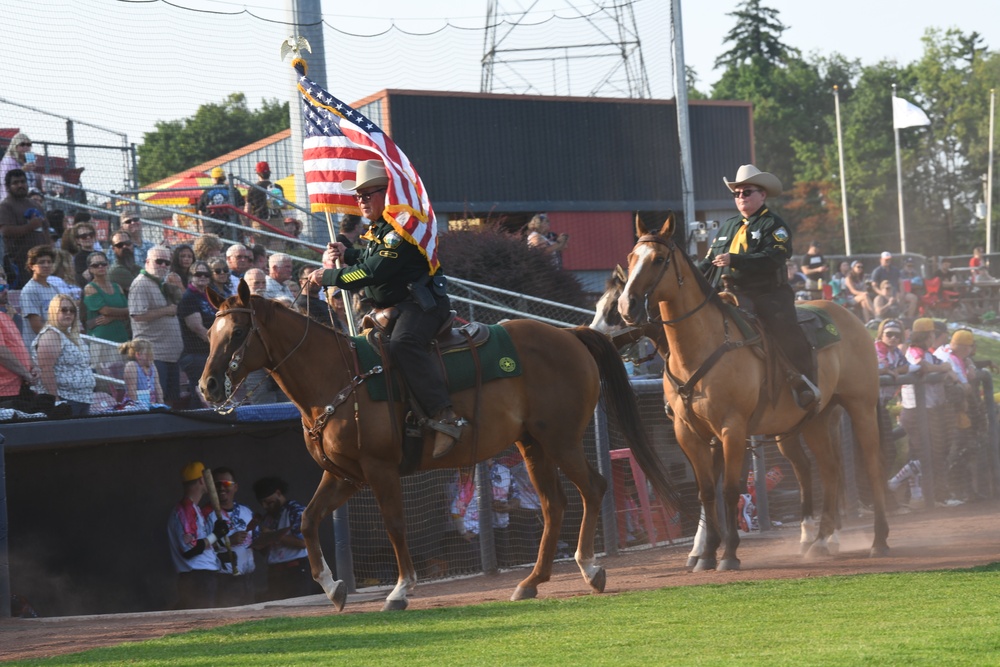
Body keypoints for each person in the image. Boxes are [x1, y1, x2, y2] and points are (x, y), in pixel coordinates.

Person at [309, 159, 463, 458]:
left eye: (368, 194)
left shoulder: (401, 228)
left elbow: (374, 272)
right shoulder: (381, 229)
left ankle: (444, 416)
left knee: (404, 344)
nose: (361, 201)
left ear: (388, 193)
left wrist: (328, 277)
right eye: (358, 196)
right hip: (395, 308)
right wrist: (348, 253)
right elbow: (370, 258)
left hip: (420, 306)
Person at [697, 164, 817, 408]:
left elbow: (775, 257)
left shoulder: (774, 225)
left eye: (747, 192)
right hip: (729, 293)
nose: (741, 197)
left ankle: (804, 383)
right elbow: (708, 262)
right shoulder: (728, 226)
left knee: (784, 326)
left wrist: (735, 260)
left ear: (762, 195)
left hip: (768, 293)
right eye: (736, 193)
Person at [900, 318, 961, 508]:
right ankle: (929, 496)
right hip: (917, 411)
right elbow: (923, 368)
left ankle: (921, 496)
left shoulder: (928, 353)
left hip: (928, 410)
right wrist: (942, 369)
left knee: (931, 454)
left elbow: (945, 366)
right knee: (928, 455)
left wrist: (945, 369)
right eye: (932, 334)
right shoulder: (915, 351)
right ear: (926, 335)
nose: (934, 336)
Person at [129, 246, 184, 406]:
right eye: (159, 261)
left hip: (170, 355)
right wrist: (167, 310)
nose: (163, 266)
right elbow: (137, 315)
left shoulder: (160, 283)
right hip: (153, 355)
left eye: (167, 262)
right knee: (157, 401)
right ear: (147, 262)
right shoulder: (141, 284)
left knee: (172, 399)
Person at [167, 461, 226, 610]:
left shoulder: (194, 508)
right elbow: (189, 550)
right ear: (201, 480)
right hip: (197, 578)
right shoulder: (185, 510)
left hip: (203, 576)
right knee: (201, 623)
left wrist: (217, 543)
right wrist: (215, 535)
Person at [251, 476, 317, 601]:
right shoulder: (268, 518)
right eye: (262, 503)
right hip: (275, 572)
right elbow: (265, 550)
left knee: (299, 608)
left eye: (269, 502)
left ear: (278, 493)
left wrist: (272, 535)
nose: (265, 506)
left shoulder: (295, 510)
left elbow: (304, 542)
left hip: (296, 570)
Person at [32, 294, 95, 416]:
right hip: (65, 399)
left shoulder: (72, 335)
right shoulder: (51, 335)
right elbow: (46, 369)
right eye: (64, 310)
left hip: (83, 399)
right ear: (53, 312)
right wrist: (56, 400)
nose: (69, 313)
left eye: (72, 310)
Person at [212, 467, 257, 607]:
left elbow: (257, 539)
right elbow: (199, 546)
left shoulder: (246, 511)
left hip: (248, 578)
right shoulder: (206, 514)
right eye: (217, 484)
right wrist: (229, 541)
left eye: (226, 484)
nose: (221, 488)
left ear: (235, 487)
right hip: (224, 579)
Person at [1, 169, 53, 287]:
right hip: (20, 263)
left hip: (42, 262)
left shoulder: (35, 204)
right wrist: (30, 226)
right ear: (8, 187)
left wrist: (49, 250)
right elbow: (5, 231)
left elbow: (46, 229)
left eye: (23, 182)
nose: (20, 185)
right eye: (16, 183)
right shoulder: (5, 206)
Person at [177, 260, 216, 406]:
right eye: (198, 274)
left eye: (206, 274)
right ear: (191, 276)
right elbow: (198, 328)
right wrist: (219, 343)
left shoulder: (209, 296)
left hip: (209, 352)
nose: (203, 277)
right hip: (195, 354)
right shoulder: (189, 297)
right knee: (201, 392)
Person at [0, 265, 38, 401]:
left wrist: (31, 365)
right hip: (4, 392)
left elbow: (19, 347)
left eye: (6, 287)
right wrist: (25, 373)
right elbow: (2, 352)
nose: (5, 291)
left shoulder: (8, 315)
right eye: (0, 288)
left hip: (18, 386)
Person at [82, 251, 130, 343]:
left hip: (121, 336)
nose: (100, 267)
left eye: (103, 264)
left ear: (108, 265)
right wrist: (123, 313)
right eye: (96, 265)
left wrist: (113, 317)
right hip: (100, 338)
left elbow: (129, 311)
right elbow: (105, 311)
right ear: (90, 269)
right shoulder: (90, 288)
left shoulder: (117, 287)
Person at [19, 245, 61, 349]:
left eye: (49, 262)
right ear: (32, 266)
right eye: (41, 262)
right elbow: (36, 326)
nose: (46, 265)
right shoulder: (29, 290)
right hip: (37, 347)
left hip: (55, 344)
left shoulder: (54, 289)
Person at [198, 167, 245, 241]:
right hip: (231, 225)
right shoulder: (233, 190)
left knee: (215, 248)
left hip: (212, 227)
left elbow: (201, 209)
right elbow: (241, 208)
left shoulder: (207, 192)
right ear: (224, 178)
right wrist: (244, 224)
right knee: (232, 248)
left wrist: (202, 227)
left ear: (213, 178)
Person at [117, 338, 163, 409]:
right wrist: (138, 407)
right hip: (135, 405)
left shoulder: (152, 366)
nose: (152, 356)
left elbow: (157, 386)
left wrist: (161, 404)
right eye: (149, 354)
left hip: (151, 405)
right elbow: (131, 391)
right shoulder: (132, 366)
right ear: (138, 355)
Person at [245, 161, 284, 243]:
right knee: (278, 247)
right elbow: (284, 206)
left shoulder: (253, 188)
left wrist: (246, 223)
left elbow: (247, 209)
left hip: (259, 221)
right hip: (276, 219)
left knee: (260, 249)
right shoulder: (277, 187)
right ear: (269, 173)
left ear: (258, 173)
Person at [871, 251, 919, 317]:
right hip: (884, 293)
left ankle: (908, 319)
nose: (888, 261)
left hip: (896, 292)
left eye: (889, 259)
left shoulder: (895, 270)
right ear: (881, 260)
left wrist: (902, 293)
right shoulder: (877, 271)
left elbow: (900, 282)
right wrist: (882, 293)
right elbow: (874, 286)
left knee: (913, 298)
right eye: (886, 259)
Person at [1, 133, 41, 199]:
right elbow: (5, 180)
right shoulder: (8, 160)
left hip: (25, 199)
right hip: (10, 199)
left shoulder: (27, 161)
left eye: (28, 145)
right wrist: (23, 170)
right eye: (22, 144)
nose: (26, 147)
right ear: (15, 146)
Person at [107, 231, 141, 296]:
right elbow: (141, 289)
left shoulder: (136, 268)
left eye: (128, 243)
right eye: (120, 245)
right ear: (113, 249)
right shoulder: (117, 271)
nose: (125, 246)